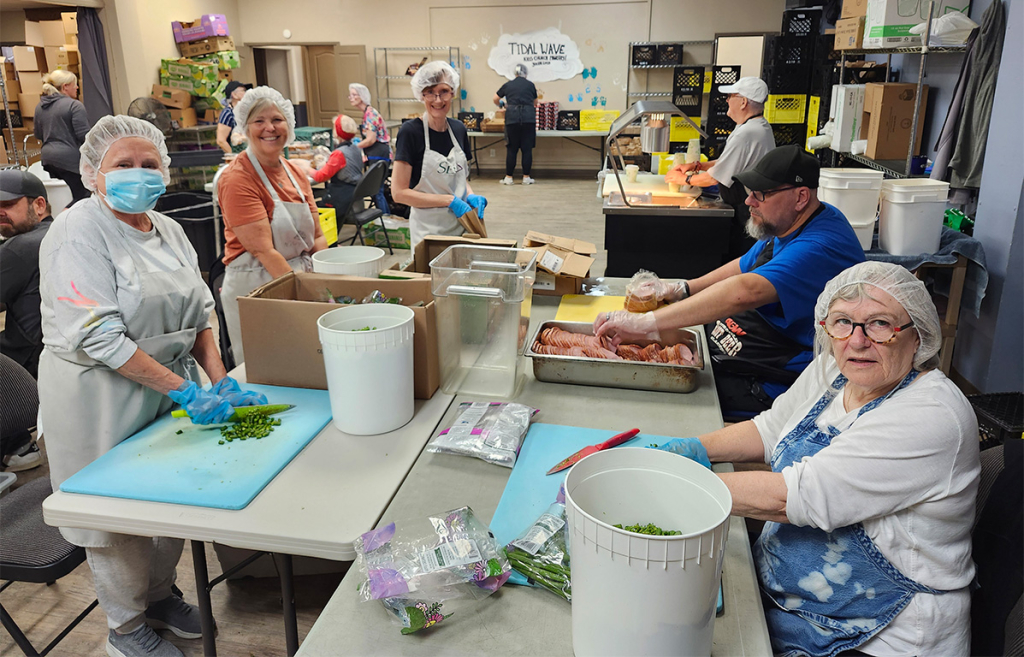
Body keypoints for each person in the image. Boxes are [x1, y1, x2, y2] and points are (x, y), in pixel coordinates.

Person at [653, 261, 981, 656]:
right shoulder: (836, 369)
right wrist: (693, 449)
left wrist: (670, 483)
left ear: (918, 336)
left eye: (879, 324)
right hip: (797, 602)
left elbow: (794, 496)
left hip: (882, 636)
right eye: (842, 321)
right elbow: (771, 429)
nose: (857, 341)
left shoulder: (931, 415)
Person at [37, 115, 268, 657]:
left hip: (163, 389)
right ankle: (124, 628)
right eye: (123, 165)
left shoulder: (167, 228)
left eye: (149, 164)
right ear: (94, 173)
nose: (138, 175)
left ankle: (160, 597)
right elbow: (98, 336)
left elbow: (200, 313)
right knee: (116, 521)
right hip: (99, 396)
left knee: (170, 501)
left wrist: (219, 379)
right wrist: (185, 393)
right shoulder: (77, 231)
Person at [596, 145, 865, 420]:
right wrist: (682, 288)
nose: (749, 202)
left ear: (800, 197)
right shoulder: (791, 221)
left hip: (773, 379)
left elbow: (745, 290)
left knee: (657, 401)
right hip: (748, 345)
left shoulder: (821, 245)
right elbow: (742, 266)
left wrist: (644, 323)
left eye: (761, 194)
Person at [217, 86, 327, 364]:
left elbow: (317, 237)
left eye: (277, 119)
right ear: (245, 127)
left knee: (307, 364)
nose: (270, 128)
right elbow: (264, 251)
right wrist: (304, 296)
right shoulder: (237, 179)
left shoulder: (295, 173)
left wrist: (326, 282)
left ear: (288, 125)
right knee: (271, 368)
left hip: (299, 278)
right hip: (258, 285)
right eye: (259, 121)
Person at [666, 77, 775, 259]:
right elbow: (729, 161)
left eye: (730, 96)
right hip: (745, 205)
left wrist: (683, 179)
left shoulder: (748, 133)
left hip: (748, 210)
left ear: (743, 102)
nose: (726, 100)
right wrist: (696, 165)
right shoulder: (755, 126)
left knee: (742, 257)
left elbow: (712, 178)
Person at [392, 61, 487, 247]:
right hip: (429, 233)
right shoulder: (411, 132)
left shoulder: (458, 129)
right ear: (421, 95)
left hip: (462, 228)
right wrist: (449, 201)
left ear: (453, 92)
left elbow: (458, 176)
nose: (438, 100)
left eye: (444, 91)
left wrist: (470, 195)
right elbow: (399, 193)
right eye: (430, 92)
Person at [0, 169, 52, 379]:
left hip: (25, 366)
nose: (0, 212)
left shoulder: (20, 248)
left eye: (8, 204)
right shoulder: (57, 232)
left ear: (39, 205)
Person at [33, 69, 90, 204]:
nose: (77, 87)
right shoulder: (74, 105)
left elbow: (38, 134)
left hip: (48, 160)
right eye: (74, 84)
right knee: (83, 198)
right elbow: (84, 136)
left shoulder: (39, 107)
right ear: (65, 87)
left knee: (64, 195)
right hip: (70, 161)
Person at [307, 114, 363, 213]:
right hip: (354, 193)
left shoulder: (339, 153)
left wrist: (305, 168)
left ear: (337, 132)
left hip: (342, 196)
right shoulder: (355, 148)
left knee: (311, 208)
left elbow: (320, 177)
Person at [494, 63, 539, 185]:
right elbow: (535, 102)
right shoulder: (530, 85)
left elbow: (495, 98)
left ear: (515, 73)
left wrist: (503, 105)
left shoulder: (508, 84)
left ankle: (509, 178)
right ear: (526, 73)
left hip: (512, 118)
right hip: (528, 119)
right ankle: (526, 177)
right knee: (527, 149)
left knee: (512, 149)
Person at [348, 83, 392, 164]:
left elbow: (370, 140)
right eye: (350, 95)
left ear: (362, 96)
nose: (351, 98)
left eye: (354, 95)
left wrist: (354, 147)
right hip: (376, 152)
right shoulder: (367, 113)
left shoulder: (370, 115)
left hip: (379, 153)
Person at [216, 80, 253, 154]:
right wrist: (234, 157)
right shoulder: (227, 113)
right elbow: (221, 141)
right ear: (234, 95)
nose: (246, 93)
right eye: (243, 91)